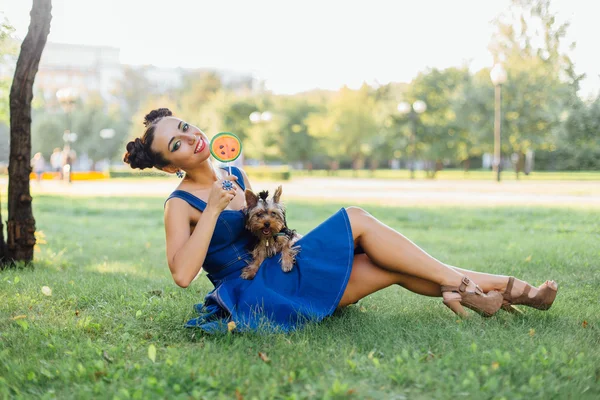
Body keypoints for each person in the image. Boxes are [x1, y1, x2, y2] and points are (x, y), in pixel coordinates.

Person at [123, 108, 558, 333]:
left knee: (386, 264)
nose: (191, 138)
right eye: (177, 144)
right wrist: (214, 208)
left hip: (280, 265)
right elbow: (182, 275)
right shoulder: (179, 204)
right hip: (255, 292)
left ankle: (503, 290)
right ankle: (482, 289)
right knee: (354, 218)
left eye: (185, 126)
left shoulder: (234, 173)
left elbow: (266, 228)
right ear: (168, 165)